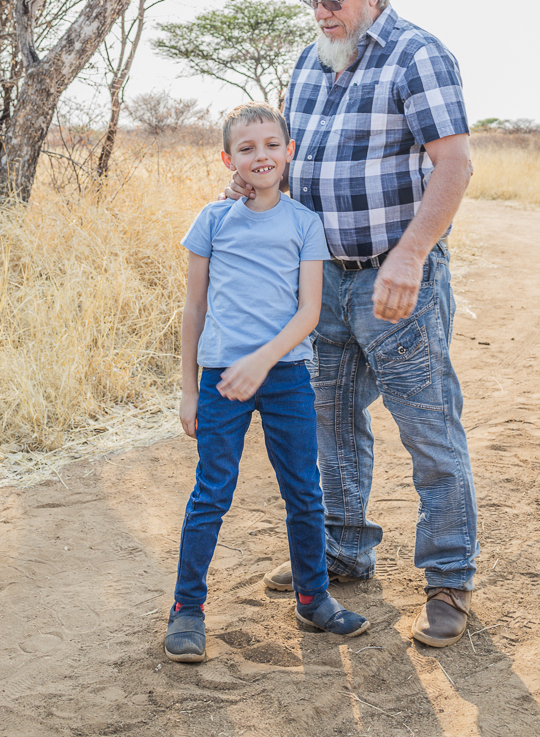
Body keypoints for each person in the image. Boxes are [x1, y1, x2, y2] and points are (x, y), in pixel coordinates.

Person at [226, 0, 479, 648]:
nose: (320, 15)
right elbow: (294, 163)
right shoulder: (309, 63)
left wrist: (409, 256)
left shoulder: (418, 55)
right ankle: (343, 554)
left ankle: (448, 578)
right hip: (324, 285)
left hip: (396, 282)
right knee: (329, 426)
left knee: (429, 428)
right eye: (311, 1)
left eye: (332, 1)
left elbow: (453, 167)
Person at [165, 102, 370, 663]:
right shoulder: (212, 219)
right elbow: (193, 308)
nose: (261, 156)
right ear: (228, 158)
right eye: (247, 148)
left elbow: (308, 312)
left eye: (271, 146)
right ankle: (187, 609)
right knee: (212, 492)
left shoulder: (304, 223)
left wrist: (263, 361)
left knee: (304, 491)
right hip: (220, 379)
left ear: (289, 152)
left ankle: (313, 599)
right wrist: (188, 390)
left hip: (284, 377)